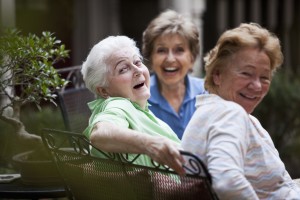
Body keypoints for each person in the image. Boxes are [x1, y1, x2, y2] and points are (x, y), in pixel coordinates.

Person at [181, 23, 300, 199]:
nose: (257, 85)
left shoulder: (212, 111)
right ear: (217, 75)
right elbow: (227, 182)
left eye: (264, 77)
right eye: (246, 73)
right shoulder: (229, 113)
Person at [81, 35, 185, 175]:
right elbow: (100, 134)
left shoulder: (140, 109)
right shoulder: (118, 104)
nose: (137, 70)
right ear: (104, 91)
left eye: (138, 62)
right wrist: (150, 144)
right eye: (123, 69)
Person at [142, 10, 206, 139]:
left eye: (179, 50)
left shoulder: (208, 94)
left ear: (192, 58)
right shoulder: (138, 98)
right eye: (162, 50)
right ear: (151, 58)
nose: (170, 59)